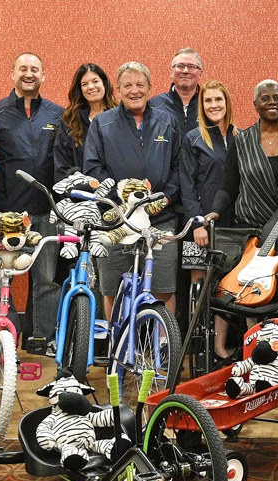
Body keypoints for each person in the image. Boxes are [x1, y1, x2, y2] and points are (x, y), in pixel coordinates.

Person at [83, 62, 182, 317]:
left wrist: (165, 199)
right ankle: (118, 350)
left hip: (160, 221)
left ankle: (161, 350)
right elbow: (94, 169)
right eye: (127, 85)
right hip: (116, 221)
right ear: (118, 90)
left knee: (162, 290)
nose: (134, 91)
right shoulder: (102, 124)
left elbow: (179, 167)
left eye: (140, 85)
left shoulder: (167, 122)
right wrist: (122, 202)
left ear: (150, 88)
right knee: (113, 290)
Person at [0, 53, 64, 354]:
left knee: (46, 280)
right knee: (1, 280)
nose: (28, 74)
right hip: (7, 215)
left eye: (35, 70)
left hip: (47, 211)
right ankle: (3, 337)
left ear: (44, 76)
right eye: (23, 69)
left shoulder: (58, 115)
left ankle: (41, 338)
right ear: (12, 74)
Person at [179, 81, 237, 358]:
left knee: (227, 287)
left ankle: (219, 347)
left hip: (234, 225)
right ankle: (198, 345)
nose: (214, 105)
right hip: (200, 226)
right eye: (208, 101)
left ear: (227, 103)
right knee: (199, 288)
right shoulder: (193, 139)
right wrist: (197, 222)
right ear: (201, 106)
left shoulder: (241, 136)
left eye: (219, 100)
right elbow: (186, 185)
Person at [208, 80, 278, 229]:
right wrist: (215, 211)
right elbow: (228, 188)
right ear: (255, 105)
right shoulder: (241, 142)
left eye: (276, 98)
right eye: (265, 99)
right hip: (249, 228)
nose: (272, 102)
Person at [54, 63, 117, 182]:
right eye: (85, 84)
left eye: (95, 81)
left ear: (104, 83)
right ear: (80, 89)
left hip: (115, 195)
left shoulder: (120, 117)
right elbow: (62, 166)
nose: (91, 87)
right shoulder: (70, 123)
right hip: (81, 196)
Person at [149, 48, 203, 138]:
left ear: (200, 73)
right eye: (180, 66)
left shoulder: (209, 105)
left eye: (191, 66)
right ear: (171, 72)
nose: (185, 71)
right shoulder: (155, 104)